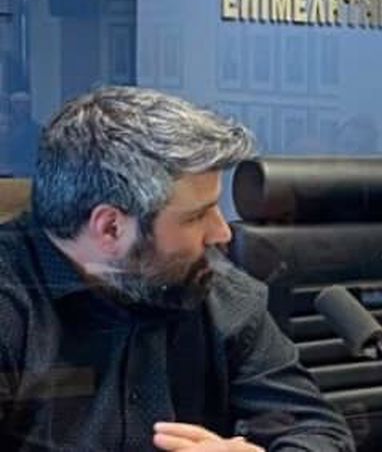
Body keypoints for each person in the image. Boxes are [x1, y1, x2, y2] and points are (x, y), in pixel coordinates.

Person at [0, 87, 355, 451]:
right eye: (197, 216)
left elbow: (320, 432)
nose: (222, 232)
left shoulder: (216, 291)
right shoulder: (12, 304)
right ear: (111, 228)